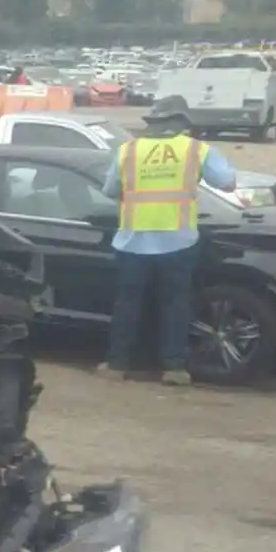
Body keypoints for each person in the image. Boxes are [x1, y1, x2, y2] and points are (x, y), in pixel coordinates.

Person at [97, 94, 236, 385]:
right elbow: (227, 182)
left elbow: (110, 190)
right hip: (178, 242)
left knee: (128, 305)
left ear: (153, 122)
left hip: (133, 242)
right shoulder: (196, 150)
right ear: (183, 122)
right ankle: (173, 368)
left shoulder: (128, 150)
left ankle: (116, 365)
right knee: (175, 306)